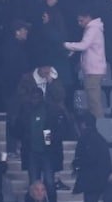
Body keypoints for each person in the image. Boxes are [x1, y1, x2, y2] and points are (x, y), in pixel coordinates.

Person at [20, 67, 66, 202]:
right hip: (32, 152)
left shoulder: (50, 111)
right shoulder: (26, 111)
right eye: (32, 97)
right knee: (33, 184)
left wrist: (52, 139)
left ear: (41, 98)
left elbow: (58, 130)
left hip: (47, 152)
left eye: (37, 97)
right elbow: (20, 129)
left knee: (50, 183)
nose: (34, 100)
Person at [63, 7, 107, 119]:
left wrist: (65, 44)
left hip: (93, 70)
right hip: (93, 69)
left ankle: (98, 126)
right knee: (92, 101)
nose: (79, 23)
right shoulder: (93, 28)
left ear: (88, 17)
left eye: (81, 20)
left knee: (94, 103)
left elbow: (84, 45)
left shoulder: (92, 29)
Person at [73, 112, 112, 202]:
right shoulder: (100, 138)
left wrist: (77, 163)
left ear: (83, 124)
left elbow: (89, 158)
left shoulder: (86, 139)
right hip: (99, 180)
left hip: (92, 181)